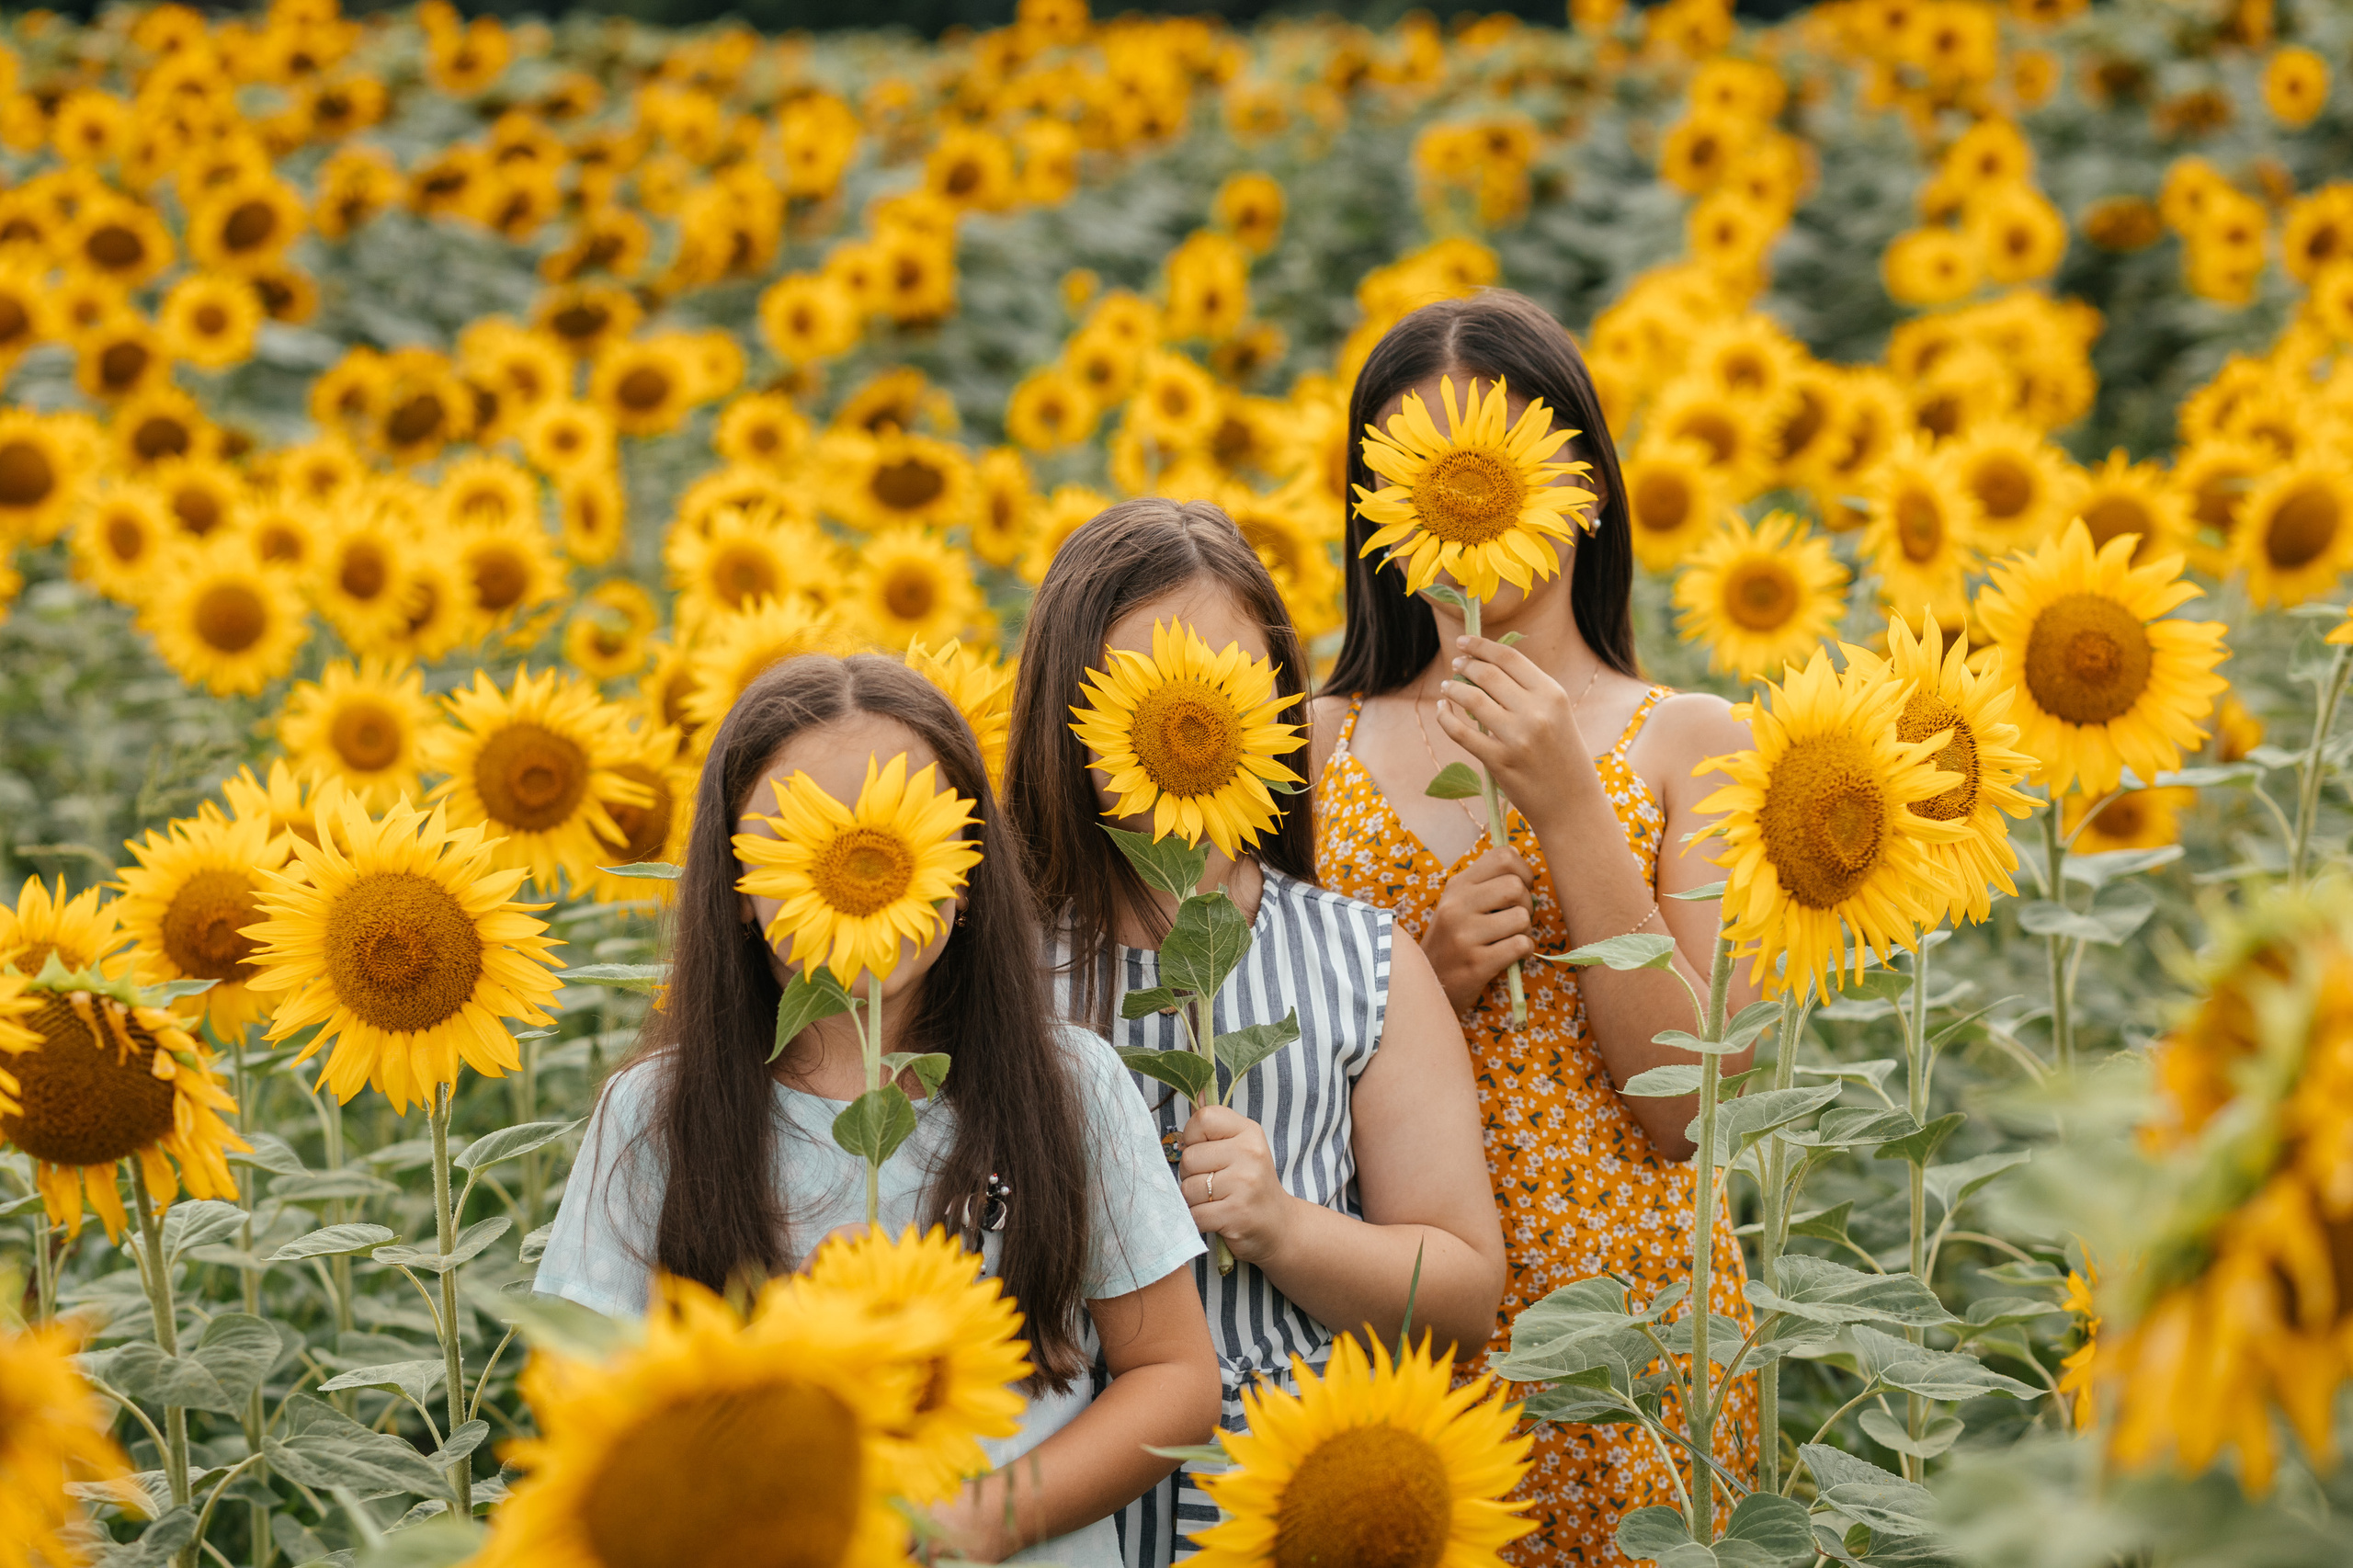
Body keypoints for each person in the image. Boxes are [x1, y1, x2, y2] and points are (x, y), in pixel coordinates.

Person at [536, 653, 1220, 1565]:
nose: (862, 867)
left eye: (907, 833)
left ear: (968, 874)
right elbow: (582, 1386)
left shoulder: (1069, 1085)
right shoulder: (655, 1114)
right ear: (739, 891)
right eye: (802, 841)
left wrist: (985, 1518)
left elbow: (1174, 1376)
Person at [1310, 289, 1761, 1565]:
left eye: (1502, 466)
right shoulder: (1320, 740)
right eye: (1433, 477)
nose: (1471, 507)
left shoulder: (1692, 741)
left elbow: (1691, 1104)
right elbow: (1270, 1072)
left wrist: (1569, 803)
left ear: (1588, 488)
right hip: (1400, 1328)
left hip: (1634, 1337)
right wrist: (1426, 982)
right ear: (1382, 514)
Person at [1003, 498, 1506, 1565]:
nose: (1196, 711)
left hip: (1300, 1501)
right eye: (1145, 684)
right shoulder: (1000, 973)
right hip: (1050, 1513)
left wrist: (1284, 1225)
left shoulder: (1363, 964)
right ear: (1066, 712)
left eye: (1230, 683)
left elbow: (1462, 1291)